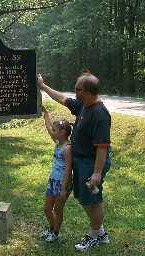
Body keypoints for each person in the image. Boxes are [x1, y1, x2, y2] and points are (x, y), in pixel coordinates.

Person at [37, 73, 112, 251]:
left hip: (91, 163)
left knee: (93, 200)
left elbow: (102, 147)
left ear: (87, 92)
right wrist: (43, 85)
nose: (74, 91)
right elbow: (62, 98)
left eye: (77, 88)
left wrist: (97, 172)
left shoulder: (99, 114)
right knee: (86, 199)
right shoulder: (84, 106)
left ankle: (94, 236)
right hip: (81, 161)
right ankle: (100, 233)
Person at [39, 106, 73, 243]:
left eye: (55, 130)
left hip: (62, 182)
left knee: (58, 210)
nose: (52, 132)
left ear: (62, 132)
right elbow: (48, 127)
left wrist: (63, 189)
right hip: (52, 180)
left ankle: (55, 233)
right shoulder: (58, 142)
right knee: (47, 208)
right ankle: (51, 228)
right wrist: (45, 113)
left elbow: (68, 170)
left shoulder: (67, 148)